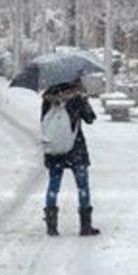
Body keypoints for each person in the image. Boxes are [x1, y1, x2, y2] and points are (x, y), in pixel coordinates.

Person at [41, 79, 100, 237]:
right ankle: (85, 226)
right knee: (82, 186)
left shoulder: (48, 98)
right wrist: (83, 100)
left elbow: (44, 122)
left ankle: (51, 226)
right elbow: (90, 118)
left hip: (54, 150)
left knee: (53, 186)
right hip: (76, 149)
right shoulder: (76, 98)